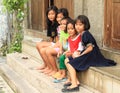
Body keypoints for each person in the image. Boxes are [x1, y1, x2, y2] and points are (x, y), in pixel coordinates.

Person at [62, 15, 116, 92]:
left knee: (70, 63)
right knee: (67, 60)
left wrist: (80, 54)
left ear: (85, 25)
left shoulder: (85, 34)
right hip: (87, 53)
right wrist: (77, 52)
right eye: (76, 25)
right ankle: (75, 81)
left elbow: (90, 48)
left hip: (92, 55)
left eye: (80, 25)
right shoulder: (81, 34)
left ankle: (74, 85)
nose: (78, 27)